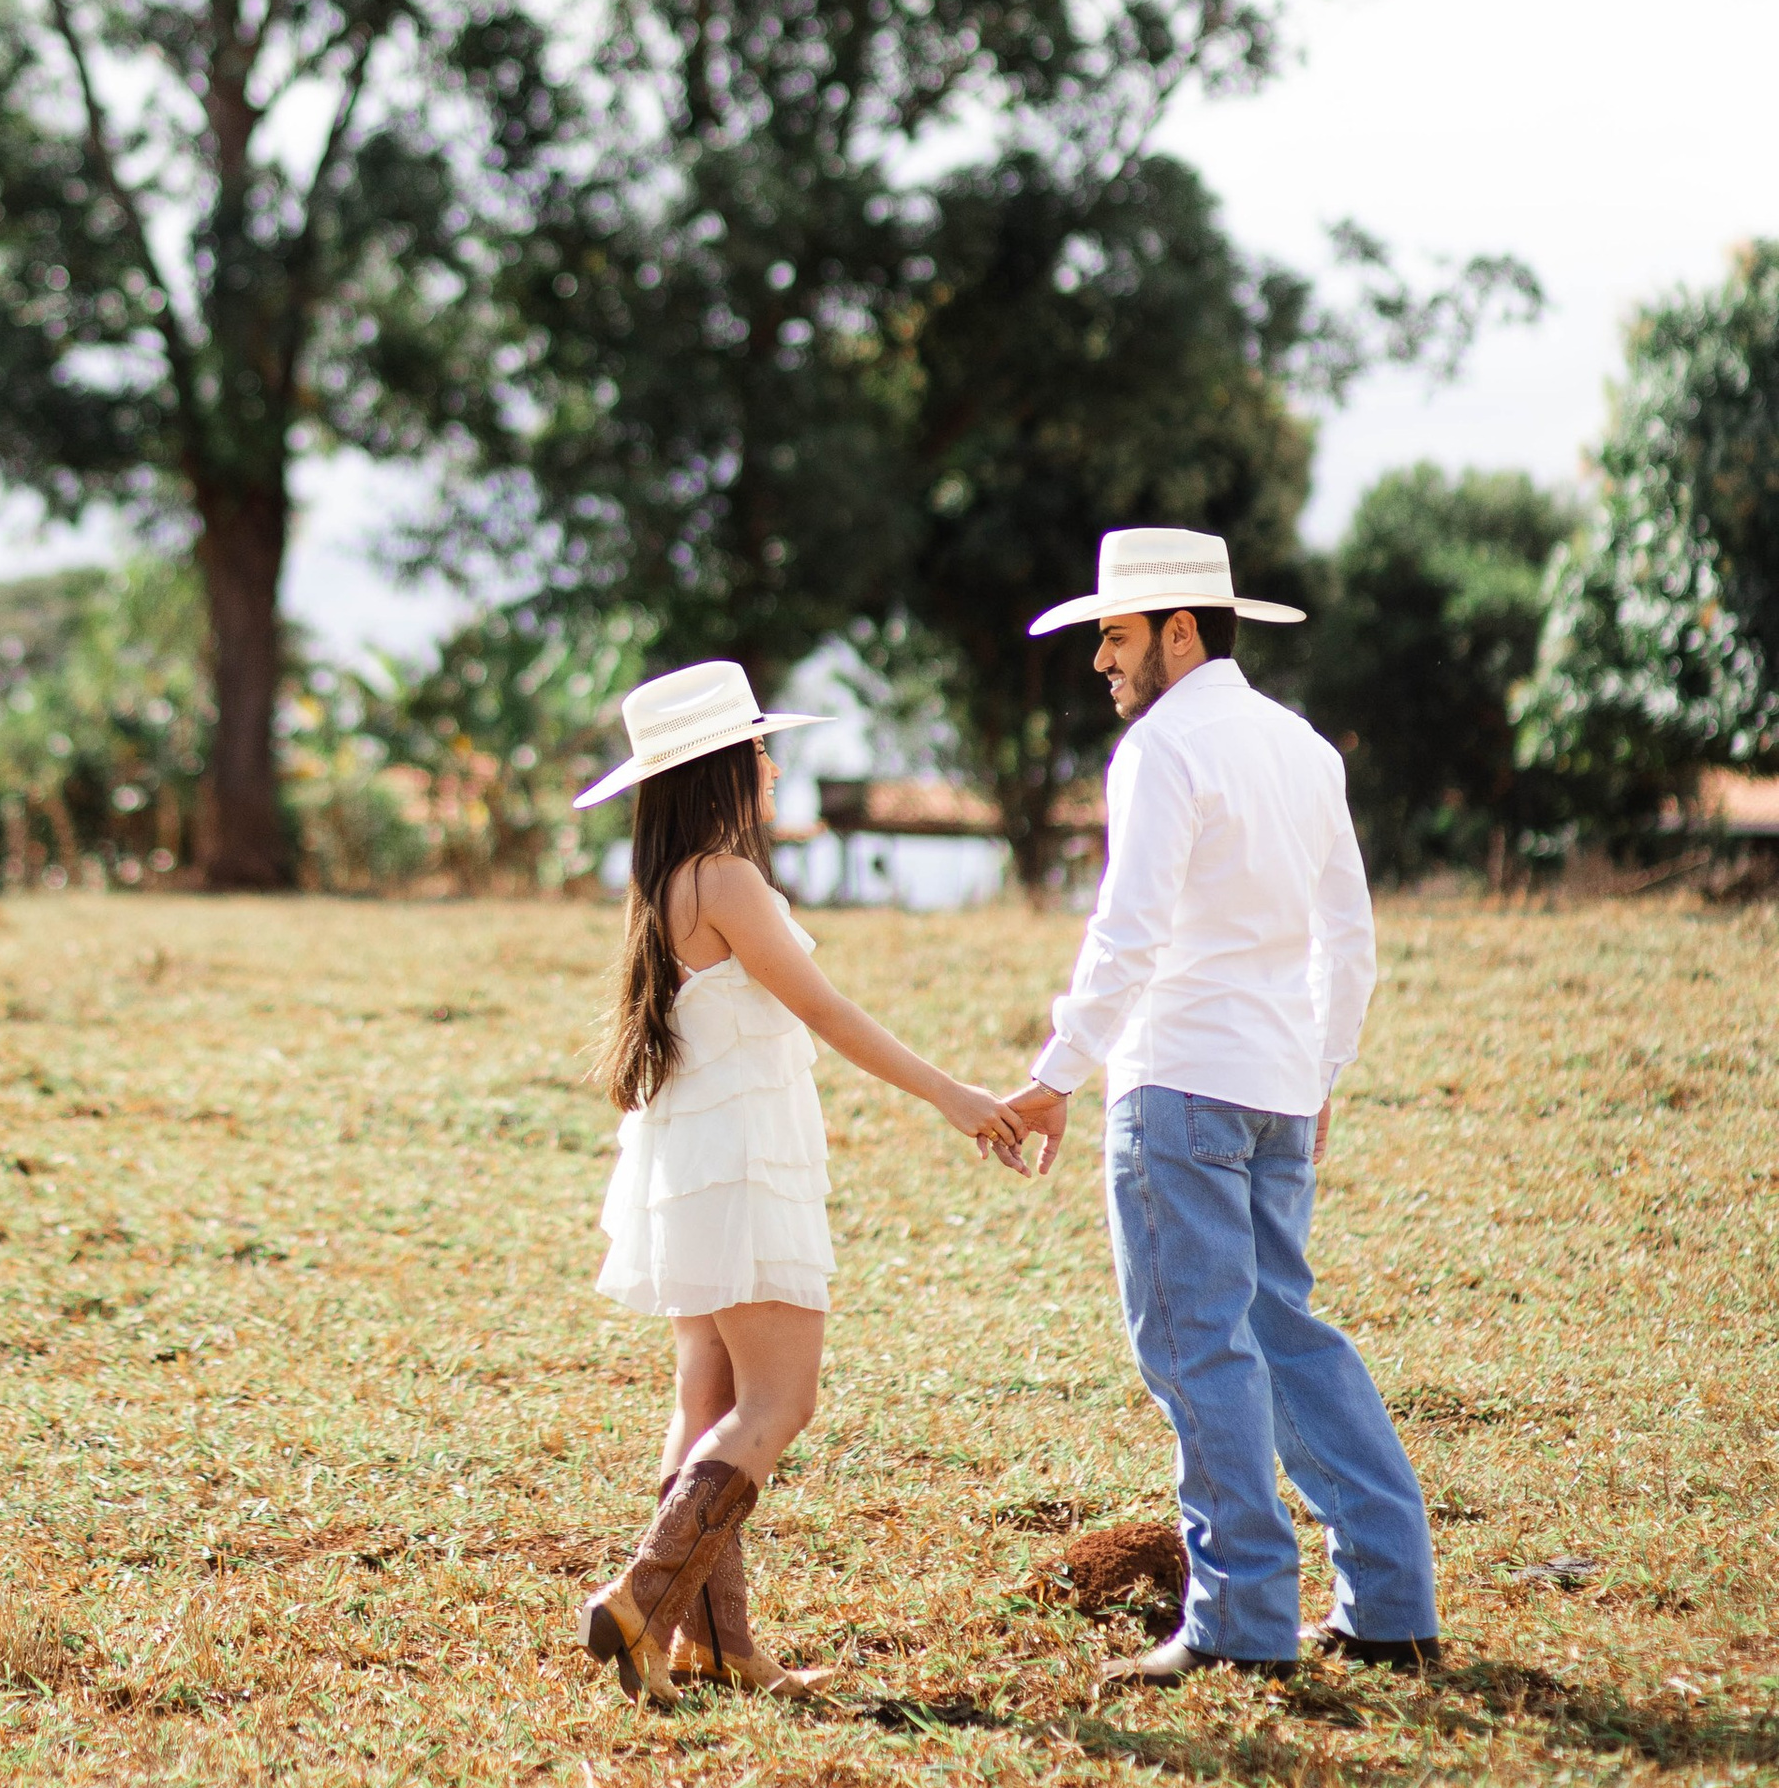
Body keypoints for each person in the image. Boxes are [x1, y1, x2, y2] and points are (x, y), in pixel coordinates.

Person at [997, 527, 1439, 1683]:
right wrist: (1322, 1068)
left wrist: (1053, 1077)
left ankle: (1241, 1620)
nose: (1101, 657)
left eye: (1116, 633)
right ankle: (1388, 1596)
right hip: (1275, 1090)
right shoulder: (1300, 749)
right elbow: (1349, 935)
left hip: (1180, 1082)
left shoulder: (1162, 750)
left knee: (1201, 1352)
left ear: (1179, 631)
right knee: (1286, 1334)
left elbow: (1129, 931)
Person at [574, 658, 1026, 1707]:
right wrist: (952, 1093)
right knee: (781, 1400)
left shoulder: (666, 882)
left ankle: (716, 1648)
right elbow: (825, 1011)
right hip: (741, 1164)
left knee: (710, 1404)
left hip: (690, 1164)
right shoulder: (727, 880)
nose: (774, 765)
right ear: (725, 768)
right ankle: (639, 1597)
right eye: (760, 748)